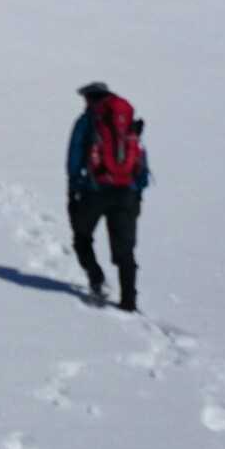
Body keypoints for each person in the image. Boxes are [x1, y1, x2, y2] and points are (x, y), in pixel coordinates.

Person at [66, 81, 150, 311]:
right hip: (127, 192)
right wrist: (138, 190)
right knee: (125, 249)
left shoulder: (88, 121)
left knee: (81, 236)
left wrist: (73, 187)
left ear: (89, 98)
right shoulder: (126, 120)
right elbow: (140, 156)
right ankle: (129, 301)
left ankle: (96, 279)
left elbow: (75, 154)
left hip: (95, 190)